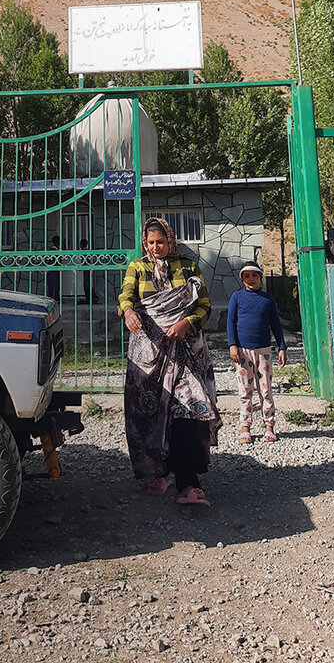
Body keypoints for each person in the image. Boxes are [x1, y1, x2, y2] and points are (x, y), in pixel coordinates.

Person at [119, 217, 221, 507]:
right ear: (144, 243)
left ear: (170, 241)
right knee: (151, 412)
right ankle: (160, 472)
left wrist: (187, 323)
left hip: (186, 351)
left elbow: (204, 305)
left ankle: (189, 483)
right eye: (150, 243)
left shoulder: (188, 267)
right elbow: (126, 297)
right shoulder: (137, 268)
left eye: (160, 242)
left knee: (188, 410)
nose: (155, 248)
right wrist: (128, 312)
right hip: (149, 355)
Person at [227, 261, 287, 444]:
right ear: (242, 279)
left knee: (266, 389)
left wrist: (282, 347)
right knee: (245, 390)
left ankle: (269, 426)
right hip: (243, 353)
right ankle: (245, 427)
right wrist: (232, 345)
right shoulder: (236, 297)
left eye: (254, 275)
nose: (251, 279)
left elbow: (275, 325)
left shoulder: (268, 300)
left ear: (260, 277)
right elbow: (230, 323)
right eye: (247, 276)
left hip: (264, 352)